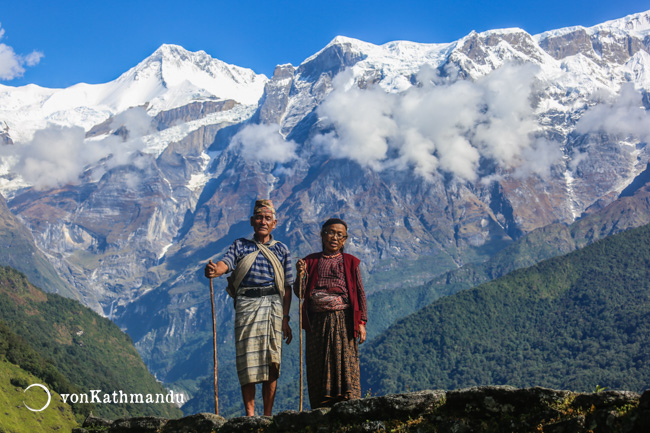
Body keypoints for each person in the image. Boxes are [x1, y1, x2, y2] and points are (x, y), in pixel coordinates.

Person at [204, 199, 293, 416]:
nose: (263, 222)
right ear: (252, 221)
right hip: (247, 306)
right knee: (247, 361)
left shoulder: (282, 250)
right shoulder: (240, 246)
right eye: (259, 218)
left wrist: (285, 318)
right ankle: (250, 415)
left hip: (273, 306)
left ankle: (268, 414)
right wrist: (216, 270)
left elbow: (288, 287)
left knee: (272, 361)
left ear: (275, 223)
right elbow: (227, 263)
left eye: (268, 218)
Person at [295, 218, 368, 408]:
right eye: (331, 232)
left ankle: (347, 402)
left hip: (343, 320)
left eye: (340, 235)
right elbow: (300, 293)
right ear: (322, 234)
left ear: (344, 240)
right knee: (318, 361)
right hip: (316, 323)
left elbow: (360, 292)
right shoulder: (310, 261)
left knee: (344, 361)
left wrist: (361, 322)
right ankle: (321, 405)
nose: (334, 237)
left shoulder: (350, 262)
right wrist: (300, 275)